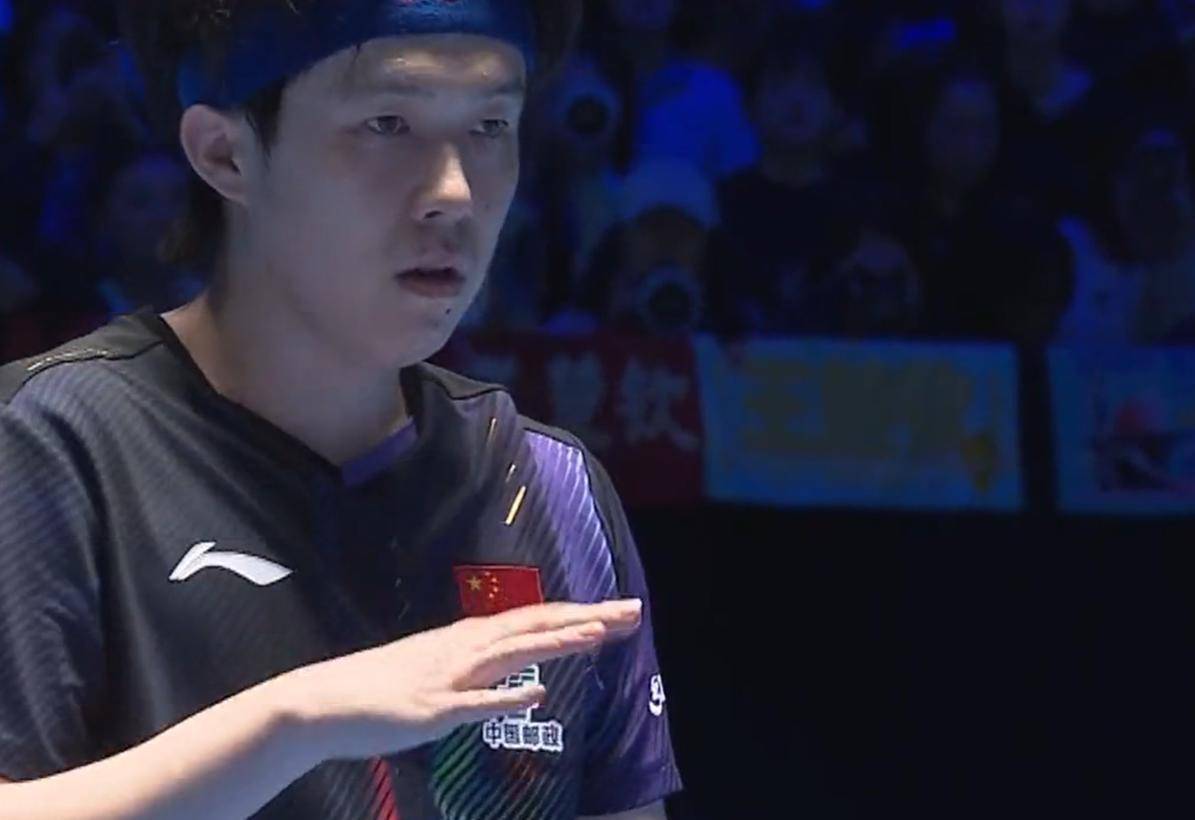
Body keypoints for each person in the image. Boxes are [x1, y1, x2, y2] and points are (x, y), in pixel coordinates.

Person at [0, 2, 682, 819]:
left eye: (490, 126)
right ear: (225, 153)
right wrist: (296, 722)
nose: (454, 192)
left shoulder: (548, 486)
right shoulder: (48, 444)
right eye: (387, 124)